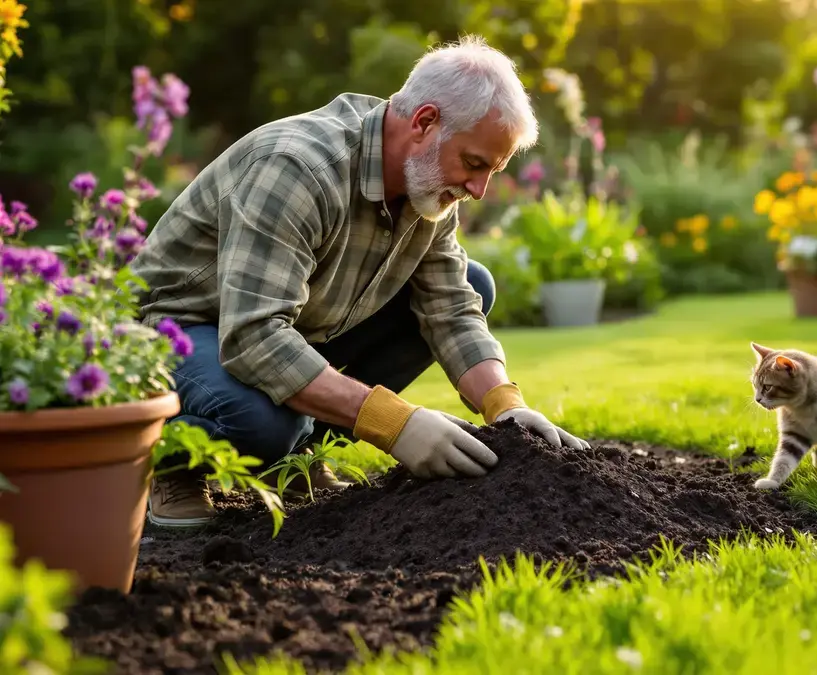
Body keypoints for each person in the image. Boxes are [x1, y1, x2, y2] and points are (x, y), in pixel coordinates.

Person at [130, 35, 589, 528]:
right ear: (425, 121)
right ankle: (174, 460)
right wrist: (392, 424)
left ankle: (302, 454)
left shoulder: (427, 184)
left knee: (476, 281)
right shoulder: (297, 168)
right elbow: (254, 337)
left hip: (283, 324)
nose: (479, 190)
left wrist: (505, 406)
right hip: (178, 327)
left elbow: (450, 308)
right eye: (475, 164)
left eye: (493, 171)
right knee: (263, 423)